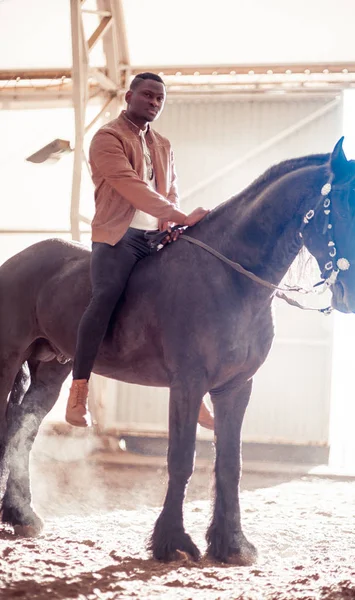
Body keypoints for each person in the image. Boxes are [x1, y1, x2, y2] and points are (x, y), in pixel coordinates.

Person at [65, 72, 214, 430]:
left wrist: (170, 221)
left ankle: (195, 393)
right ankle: (79, 390)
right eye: (148, 95)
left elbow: (170, 189)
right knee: (104, 299)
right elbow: (130, 185)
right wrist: (178, 215)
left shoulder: (162, 144)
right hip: (119, 237)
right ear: (129, 96)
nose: (154, 103)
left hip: (156, 238)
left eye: (160, 99)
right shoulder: (106, 138)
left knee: (191, 300)